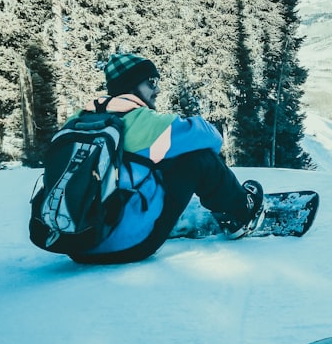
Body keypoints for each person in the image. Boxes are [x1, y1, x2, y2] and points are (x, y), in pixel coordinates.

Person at [67, 53, 264, 265]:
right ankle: (240, 213)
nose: (157, 90)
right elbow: (211, 138)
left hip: (76, 244)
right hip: (128, 245)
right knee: (198, 158)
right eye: (152, 82)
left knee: (144, 165)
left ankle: (139, 213)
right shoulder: (142, 122)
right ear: (131, 85)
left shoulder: (76, 121)